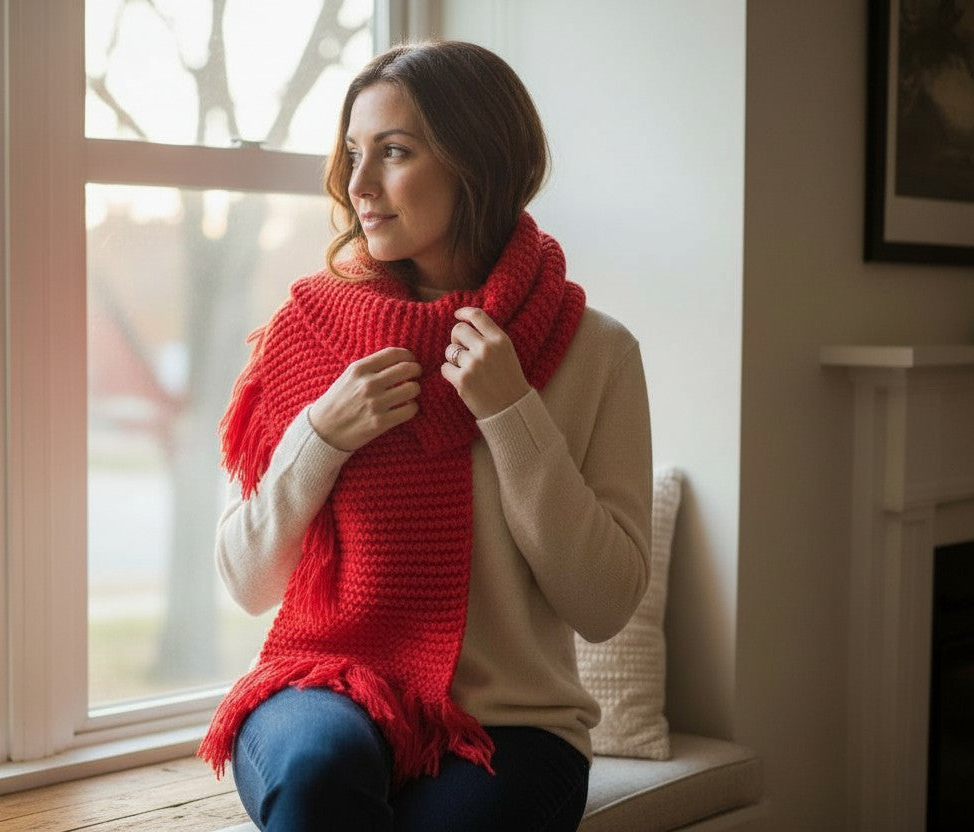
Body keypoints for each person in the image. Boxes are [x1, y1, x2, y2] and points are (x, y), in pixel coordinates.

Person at [197, 39, 652, 832]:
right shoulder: (309, 335)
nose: (359, 186)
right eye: (352, 154)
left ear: (479, 164)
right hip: (326, 685)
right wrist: (321, 436)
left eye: (394, 153)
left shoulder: (596, 351)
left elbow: (604, 602)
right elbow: (246, 579)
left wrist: (513, 413)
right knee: (315, 773)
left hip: (514, 724)